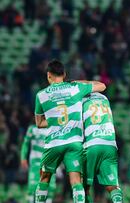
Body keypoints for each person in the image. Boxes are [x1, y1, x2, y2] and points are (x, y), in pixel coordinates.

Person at [34, 59, 106, 203]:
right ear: (65, 74)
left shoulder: (41, 95)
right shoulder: (75, 87)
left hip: (53, 143)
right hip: (74, 142)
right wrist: (80, 82)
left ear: (49, 75)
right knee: (76, 180)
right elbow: (102, 86)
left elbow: (39, 123)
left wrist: (55, 120)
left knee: (45, 178)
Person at [82, 92, 123, 203]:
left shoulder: (82, 101)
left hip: (92, 145)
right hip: (110, 145)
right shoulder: (104, 98)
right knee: (113, 186)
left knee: (85, 187)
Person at [21, 124, 56, 203]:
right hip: (35, 162)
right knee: (32, 187)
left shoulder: (53, 128)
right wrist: (23, 158)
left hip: (49, 162)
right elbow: (26, 144)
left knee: (50, 188)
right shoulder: (32, 129)